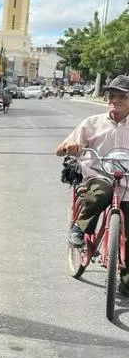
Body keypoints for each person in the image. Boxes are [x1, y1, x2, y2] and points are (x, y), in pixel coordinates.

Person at [55, 76, 129, 256]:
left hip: (127, 181)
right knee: (102, 192)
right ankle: (79, 229)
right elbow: (59, 150)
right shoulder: (92, 123)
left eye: (122, 97)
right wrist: (69, 147)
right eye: (112, 95)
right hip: (98, 175)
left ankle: (125, 284)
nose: (115, 100)